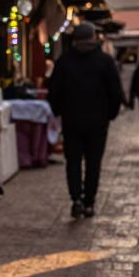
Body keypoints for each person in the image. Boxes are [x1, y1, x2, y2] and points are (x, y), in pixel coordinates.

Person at [48, 22, 124, 218]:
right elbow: (115, 92)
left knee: (73, 161)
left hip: (72, 120)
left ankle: (76, 199)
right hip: (98, 122)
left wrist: (58, 111)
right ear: (92, 37)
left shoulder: (64, 61)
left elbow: (54, 92)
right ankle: (89, 201)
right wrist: (111, 114)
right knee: (93, 162)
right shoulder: (105, 62)